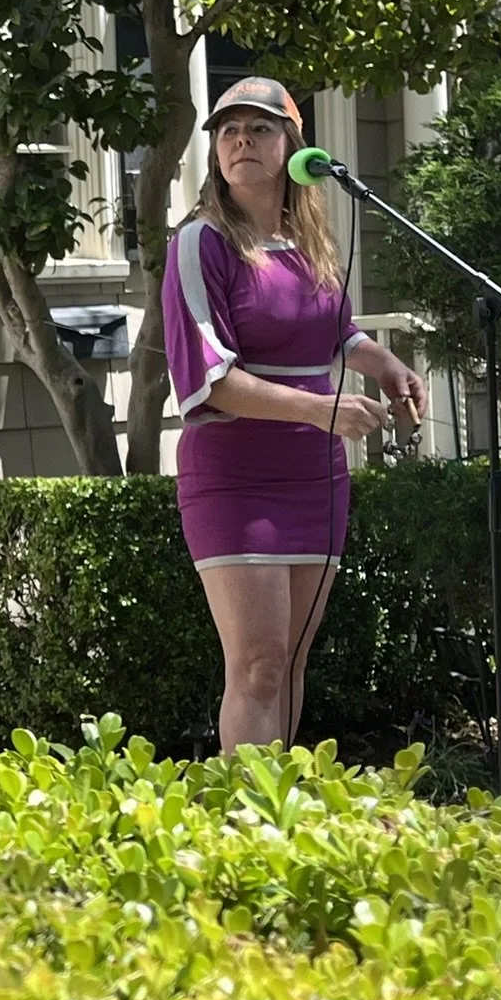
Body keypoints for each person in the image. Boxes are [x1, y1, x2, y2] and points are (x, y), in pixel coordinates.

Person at [162, 77, 426, 752]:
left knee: (289, 662)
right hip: (235, 476)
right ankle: (246, 812)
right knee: (256, 664)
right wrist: (321, 410)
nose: (241, 141)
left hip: (315, 476)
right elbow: (210, 379)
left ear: (294, 148)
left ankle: (278, 805)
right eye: (228, 131)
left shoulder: (311, 242)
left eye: (259, 129)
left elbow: (337, 334)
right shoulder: (199, 243)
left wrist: (385, 365)